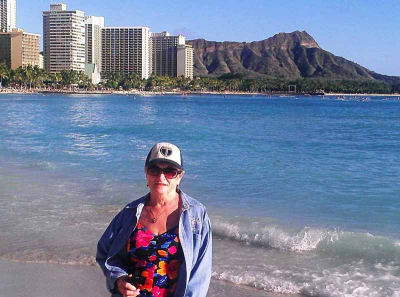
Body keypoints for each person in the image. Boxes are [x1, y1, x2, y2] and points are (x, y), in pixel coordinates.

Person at [96, 142, 212, 297]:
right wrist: (119, 280)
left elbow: (200, 274)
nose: (161, 177)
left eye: (170, 171)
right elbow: (105, 253)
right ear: (146, 173)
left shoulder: (196, 216)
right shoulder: (130, 213)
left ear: (180, 177)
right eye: (154, 169)